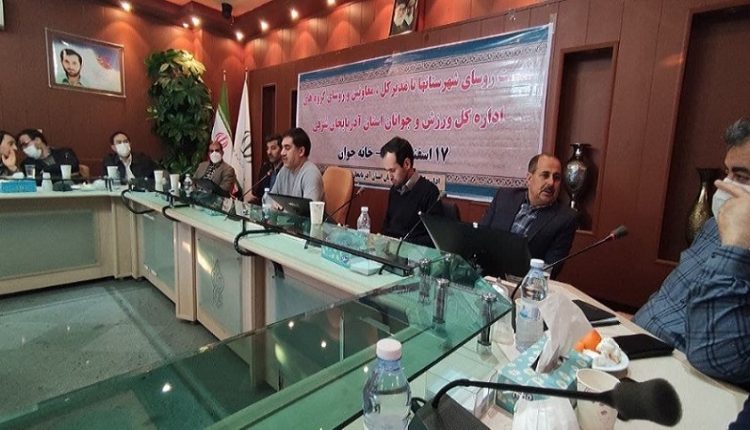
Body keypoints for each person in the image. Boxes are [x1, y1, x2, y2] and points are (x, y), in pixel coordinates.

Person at [634, 118, 750, 390]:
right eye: (727, 172)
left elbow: (714, 356)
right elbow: (670, 298)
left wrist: (736, 248)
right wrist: (631, 322)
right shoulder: (713, 226)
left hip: (692, 384)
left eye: (742, 177)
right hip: (638, 350)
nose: (724, 185)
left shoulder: (736, 237)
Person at [479, 153, 577, 278]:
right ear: (529, 178)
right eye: (545, 175)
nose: (551, 183)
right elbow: (480, 236)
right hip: (486, 275)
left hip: (521, 282)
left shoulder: (565, 218)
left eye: (556, 178)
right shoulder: (504, 197)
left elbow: (550, 268)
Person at [380, 137, 443, 247]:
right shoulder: (394, 190)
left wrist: (402, 245)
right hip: (391, 251)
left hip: (414, 253)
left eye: (392, 170)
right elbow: (387, 228)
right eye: (387, 171)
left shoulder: (429, 192)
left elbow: (435, 238)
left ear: (407, 164)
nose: (389, 176)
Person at [269, 127, 324, 201]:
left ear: (301, 151)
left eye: (287, 148)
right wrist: (273, 203)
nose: (282, 153)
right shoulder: (284, 170)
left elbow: (308, 207)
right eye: (282, 148)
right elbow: (269, 199)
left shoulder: (311, 174)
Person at [246, 134, 283, 203]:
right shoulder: (265, 168)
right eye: (268, 148)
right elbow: (259, 193)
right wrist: (255, 199)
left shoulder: (286, 170)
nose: (269, 152)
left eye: (273, 148)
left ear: (282, 150)